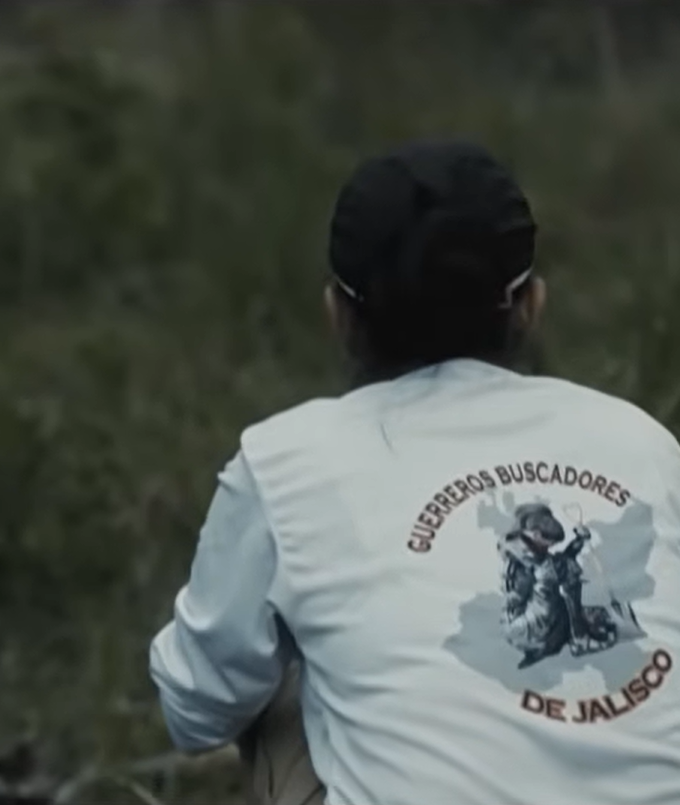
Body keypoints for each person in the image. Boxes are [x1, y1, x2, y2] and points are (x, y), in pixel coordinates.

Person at [148, 139, 680, 805]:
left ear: (338, 314)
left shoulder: (285, 461)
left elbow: (196, 708)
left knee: (280, 670)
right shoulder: (639, 439)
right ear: (531, 304)